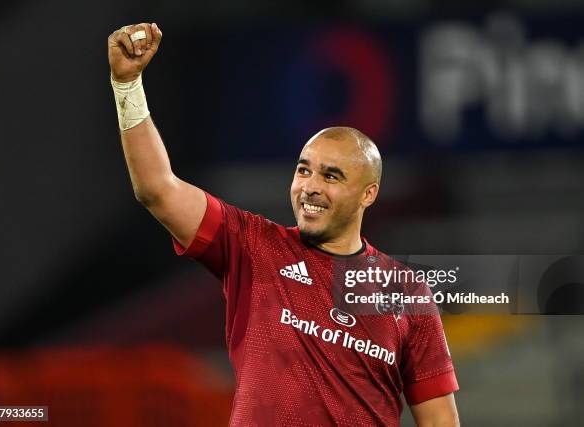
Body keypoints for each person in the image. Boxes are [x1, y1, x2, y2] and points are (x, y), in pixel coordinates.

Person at [107, 22, 460, 426]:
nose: (309, 187)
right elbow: (158, 189)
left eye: (331, 176)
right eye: (303, 171)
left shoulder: (404, 293)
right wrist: (127, 85)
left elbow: (439, 422)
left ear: (368, 194)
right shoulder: (252, 247)